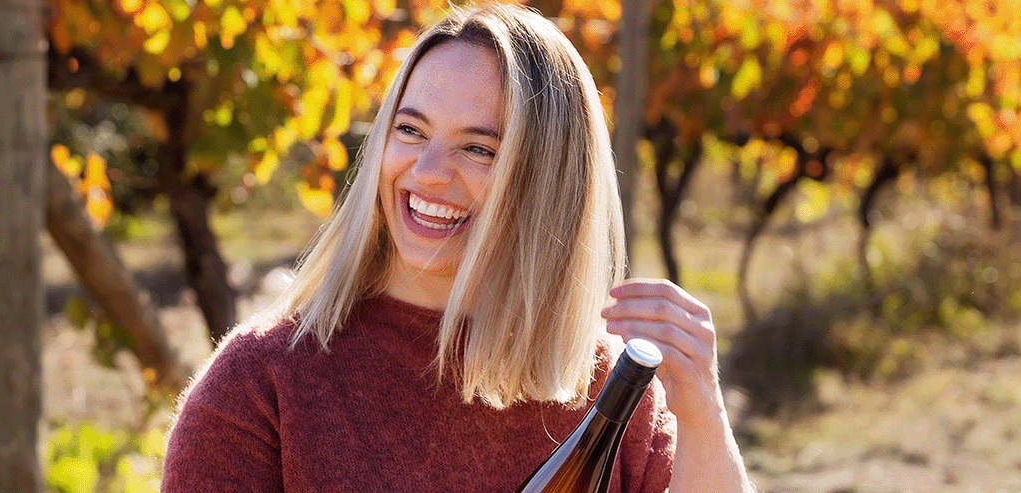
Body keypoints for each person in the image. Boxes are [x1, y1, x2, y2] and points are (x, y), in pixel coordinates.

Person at [162, 4, 753, 492]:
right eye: (411, 131)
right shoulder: (261, 385)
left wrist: (702, 414)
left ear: (549, 183)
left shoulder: (612, 394)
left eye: (479, 149)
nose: (428, 172)